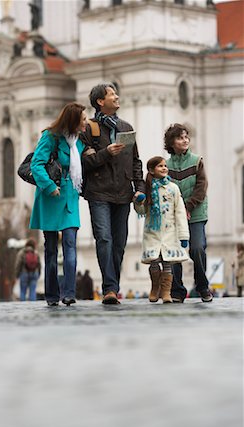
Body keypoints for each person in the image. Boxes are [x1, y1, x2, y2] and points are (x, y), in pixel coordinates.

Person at [80, 82, 145, 304]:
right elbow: (84, 163)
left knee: (119, 243)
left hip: (123, 193)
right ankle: (109, 288)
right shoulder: (89, 128)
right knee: (104, 239)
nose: (117, 97)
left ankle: (112, 286)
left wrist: (140, 189)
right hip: (98, 193)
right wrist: (106, 153)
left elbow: (136, 162)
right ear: (100, 101)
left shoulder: (126, 127)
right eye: (112, 94)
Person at [29, 102, 87, 306]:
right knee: (51, 248)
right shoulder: (50, 137)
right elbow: (36, 164)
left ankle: (69, 293)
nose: (86, 123)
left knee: (70, 243)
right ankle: (52, 295)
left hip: (70, 196)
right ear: (73, 120)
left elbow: (80, 163)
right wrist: (49, 186)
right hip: (51, 196)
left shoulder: (79, 142)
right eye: (83, 119)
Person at [165, 123, 213, 302]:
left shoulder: (196, 160)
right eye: (180, 137)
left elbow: (202, 187)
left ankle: (202, 287)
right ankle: (177, 291)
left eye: (186, 137)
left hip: (196, 213)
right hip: (174, 216)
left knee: (198, 248)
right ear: (172, 142)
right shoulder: (166, 166)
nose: (185, 140)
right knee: (175, 252)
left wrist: (189, 207)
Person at [135, 157, 189, 303]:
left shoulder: (173, 188)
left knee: (167, 263)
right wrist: (139, 201)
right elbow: (141, 210)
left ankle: (166, 292)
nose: (164, 168)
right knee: (154, 261)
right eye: (160, 166)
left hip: (169, 232)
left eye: (165, 166)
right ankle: (155, 287)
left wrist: (184, 235)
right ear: (152, 170)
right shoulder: (147, 188)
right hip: (152, 232)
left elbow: (180, 212)